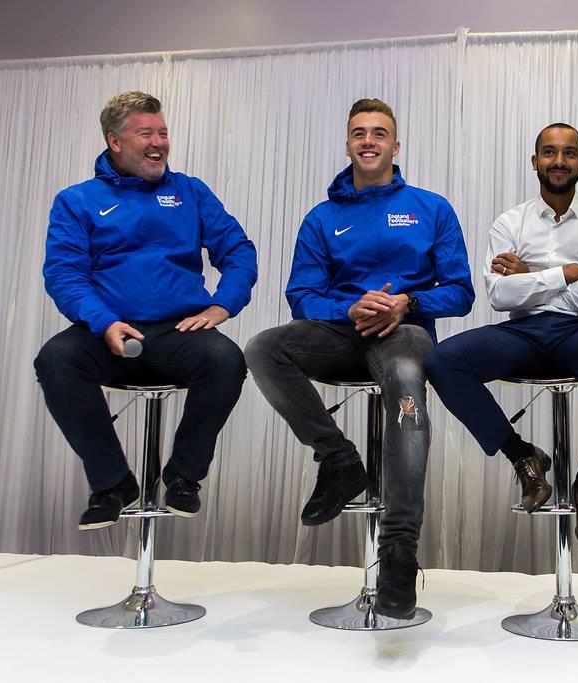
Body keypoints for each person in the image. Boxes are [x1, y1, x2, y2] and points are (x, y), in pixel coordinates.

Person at [245, 98, 474, 619]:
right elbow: (301, 294)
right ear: (348, 144)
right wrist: (349, 307)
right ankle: (339, 460)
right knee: (262, 348)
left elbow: (460, 292)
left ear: (396, 145)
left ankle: (398, 549)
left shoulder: (431, 207)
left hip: (405, 334)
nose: (368, 141)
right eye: (358, 133)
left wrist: (407, 303)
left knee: (405, 374)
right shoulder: (323, 217)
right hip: (341, 334)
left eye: (379, 133)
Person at [34, 91, 257, 531]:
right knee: (55, 360)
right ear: (115, 141)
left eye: (163, 132)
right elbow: (64, 275)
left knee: (226, 359)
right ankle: (112, 483)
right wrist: (103, 322)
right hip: (107, 331)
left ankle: (182, 477)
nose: (158, 142)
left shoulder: (190, 192)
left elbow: (238, 249)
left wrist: (223, 304)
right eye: (145, 133)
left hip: (178, 331)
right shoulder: (76, 200)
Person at [425, 123, 578, 552]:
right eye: (550, 152)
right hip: (523, 331)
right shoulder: (510, 222)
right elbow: (500, 295)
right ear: (534, 161)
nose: (559, 161)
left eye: (569, 153)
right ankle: (523, 456)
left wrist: (530, 274)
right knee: (442, 361)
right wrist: (568, 272)